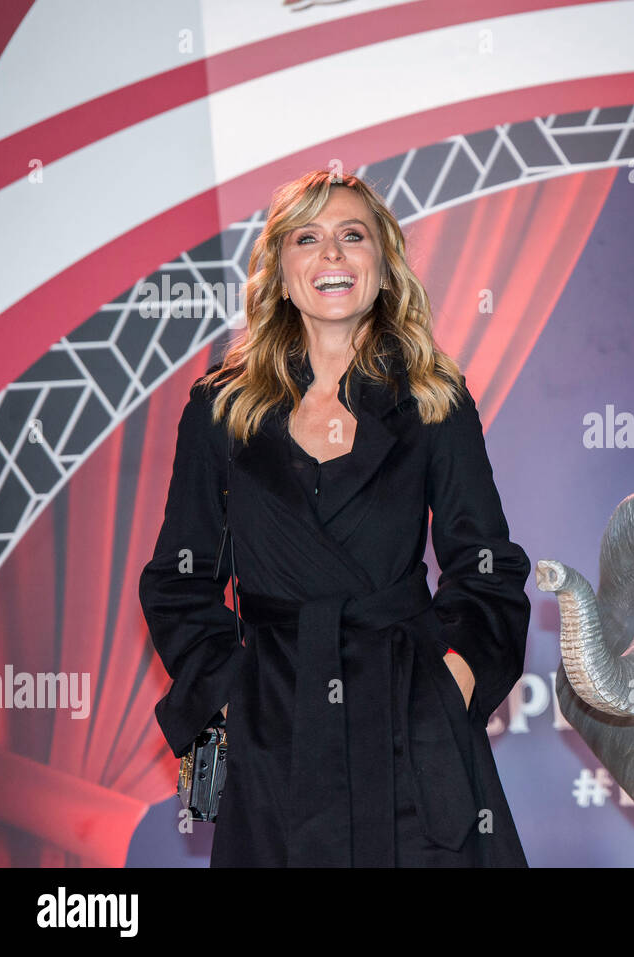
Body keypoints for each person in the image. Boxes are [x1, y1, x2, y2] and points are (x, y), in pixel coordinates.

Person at [139, 170, 532, 866]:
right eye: (307, 238)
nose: (331, 254)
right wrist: (233, 697)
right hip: (275, 733)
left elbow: (487, 568)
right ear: (280, 272)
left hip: (412, 729)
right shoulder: (220, 409)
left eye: (353, 235)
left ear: (383, 265)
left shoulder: (434, 399)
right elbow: (178, 581)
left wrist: (453, 681)